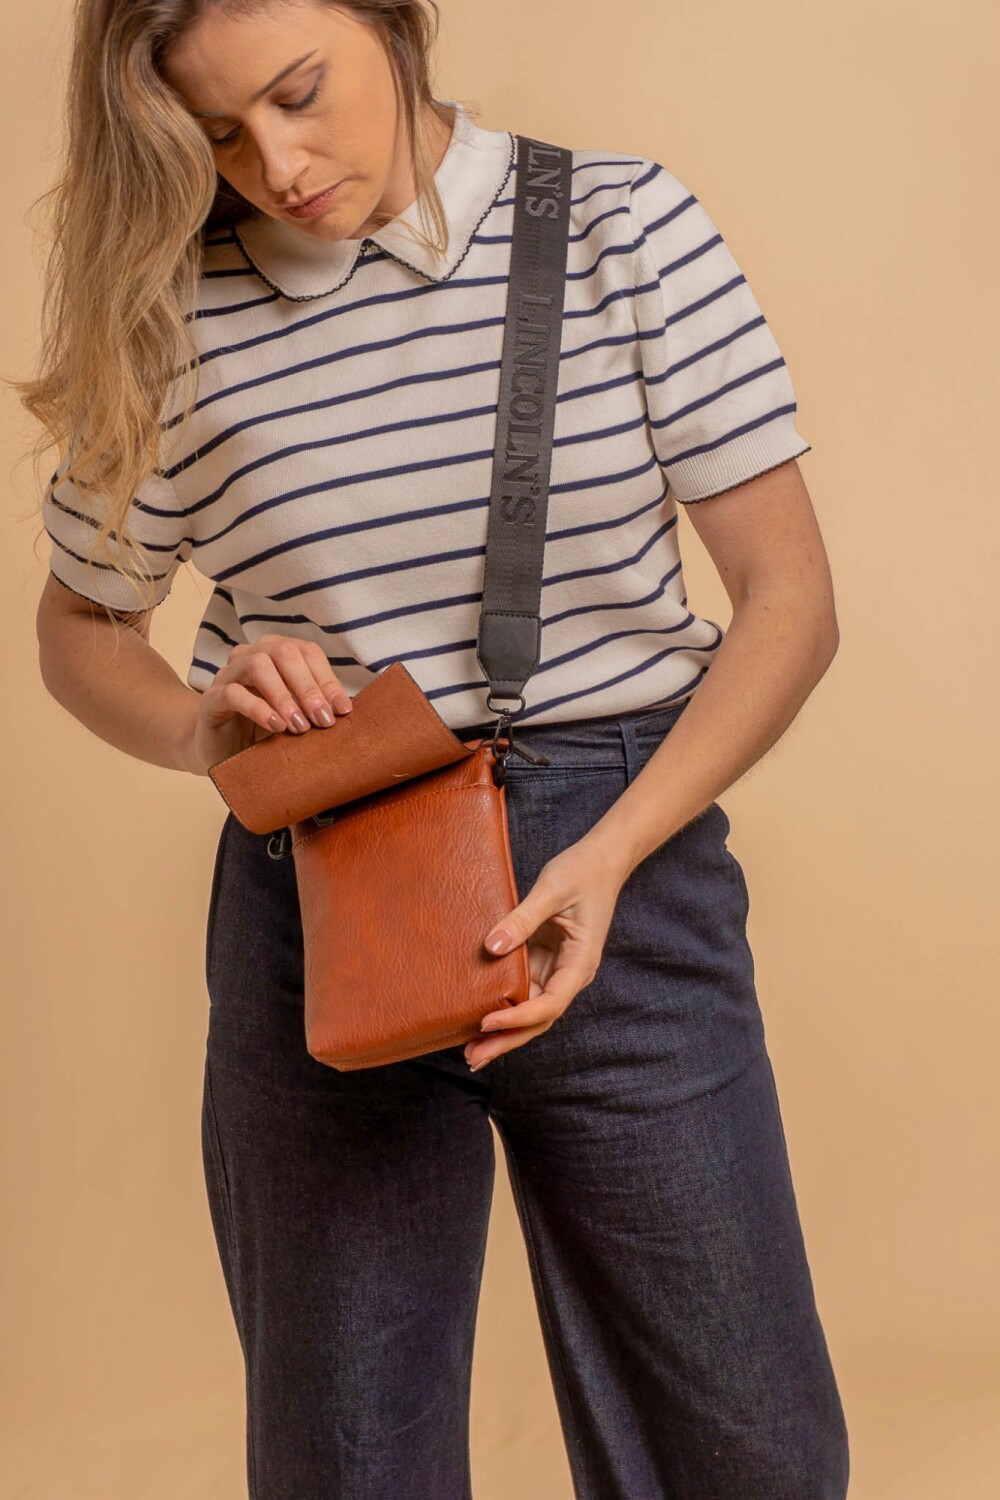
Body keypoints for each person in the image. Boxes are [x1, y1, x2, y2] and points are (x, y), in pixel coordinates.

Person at [25, 1, 850, 1496]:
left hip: (625, 868)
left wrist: (612, 854)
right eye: (220, 135)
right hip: (328, 893)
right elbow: (80, 628)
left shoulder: (622, 228)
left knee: (744, 1451)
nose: (279, 165)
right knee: (348, 1461)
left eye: (299, 92)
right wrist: (203, 727)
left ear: (391, 22)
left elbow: (789, 602)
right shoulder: (171, 317)